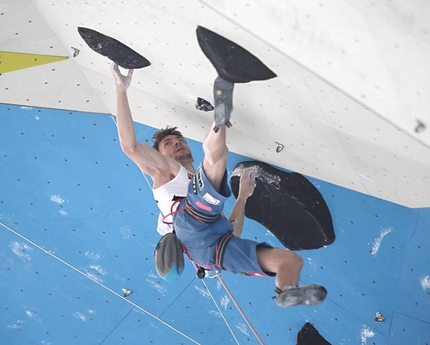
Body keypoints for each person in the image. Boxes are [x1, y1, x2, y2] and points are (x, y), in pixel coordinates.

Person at [112, 63, 327, 308]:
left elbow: (232, 231)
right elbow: (130, 147)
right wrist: (121, 89)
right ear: (160, 155)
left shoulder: (204, 193)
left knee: (289, 261)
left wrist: (243, 197)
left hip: (206, 253)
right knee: (215, 162)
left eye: (179, 140)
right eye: (168, 144)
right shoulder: (166, 170)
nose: (177, 144)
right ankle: (220, 117)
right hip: (191, 228)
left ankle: (285, 291)